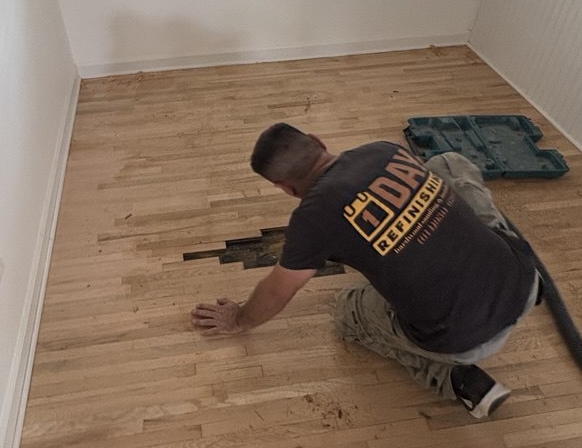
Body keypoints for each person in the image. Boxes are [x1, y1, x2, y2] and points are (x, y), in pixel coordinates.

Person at [191, 123, 541, 419]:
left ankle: (454, 380)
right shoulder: (383, 149)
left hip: (466, 339)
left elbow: (277, 291)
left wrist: (239, 320)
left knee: (349, 311)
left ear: (282, 187)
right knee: (448, 162)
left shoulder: (312, 219)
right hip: (522, 279)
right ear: (318, 141)